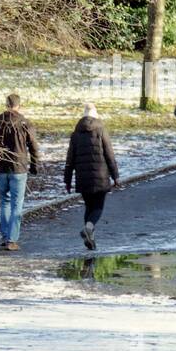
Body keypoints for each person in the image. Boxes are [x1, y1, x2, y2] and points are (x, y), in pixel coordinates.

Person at [0, 94, 40, 251]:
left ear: (6, 104)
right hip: (19, 168)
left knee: (5, 202)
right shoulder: (25, 123)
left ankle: (5, 235)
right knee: (17, 204)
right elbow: (33, 146)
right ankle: (12, 239)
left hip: (0, 168)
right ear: (19, 105)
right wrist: (34, 165)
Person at [63, 104, 120, 251]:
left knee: (88, 206)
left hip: (83, 177)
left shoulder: (76, 134)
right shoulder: (101, 130)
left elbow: (70, 160)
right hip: (100, 176)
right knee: (98, 207)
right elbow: (109, 155)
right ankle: (89, 228)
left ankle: (91, 238)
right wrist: (115, 176)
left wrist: (67, 180)